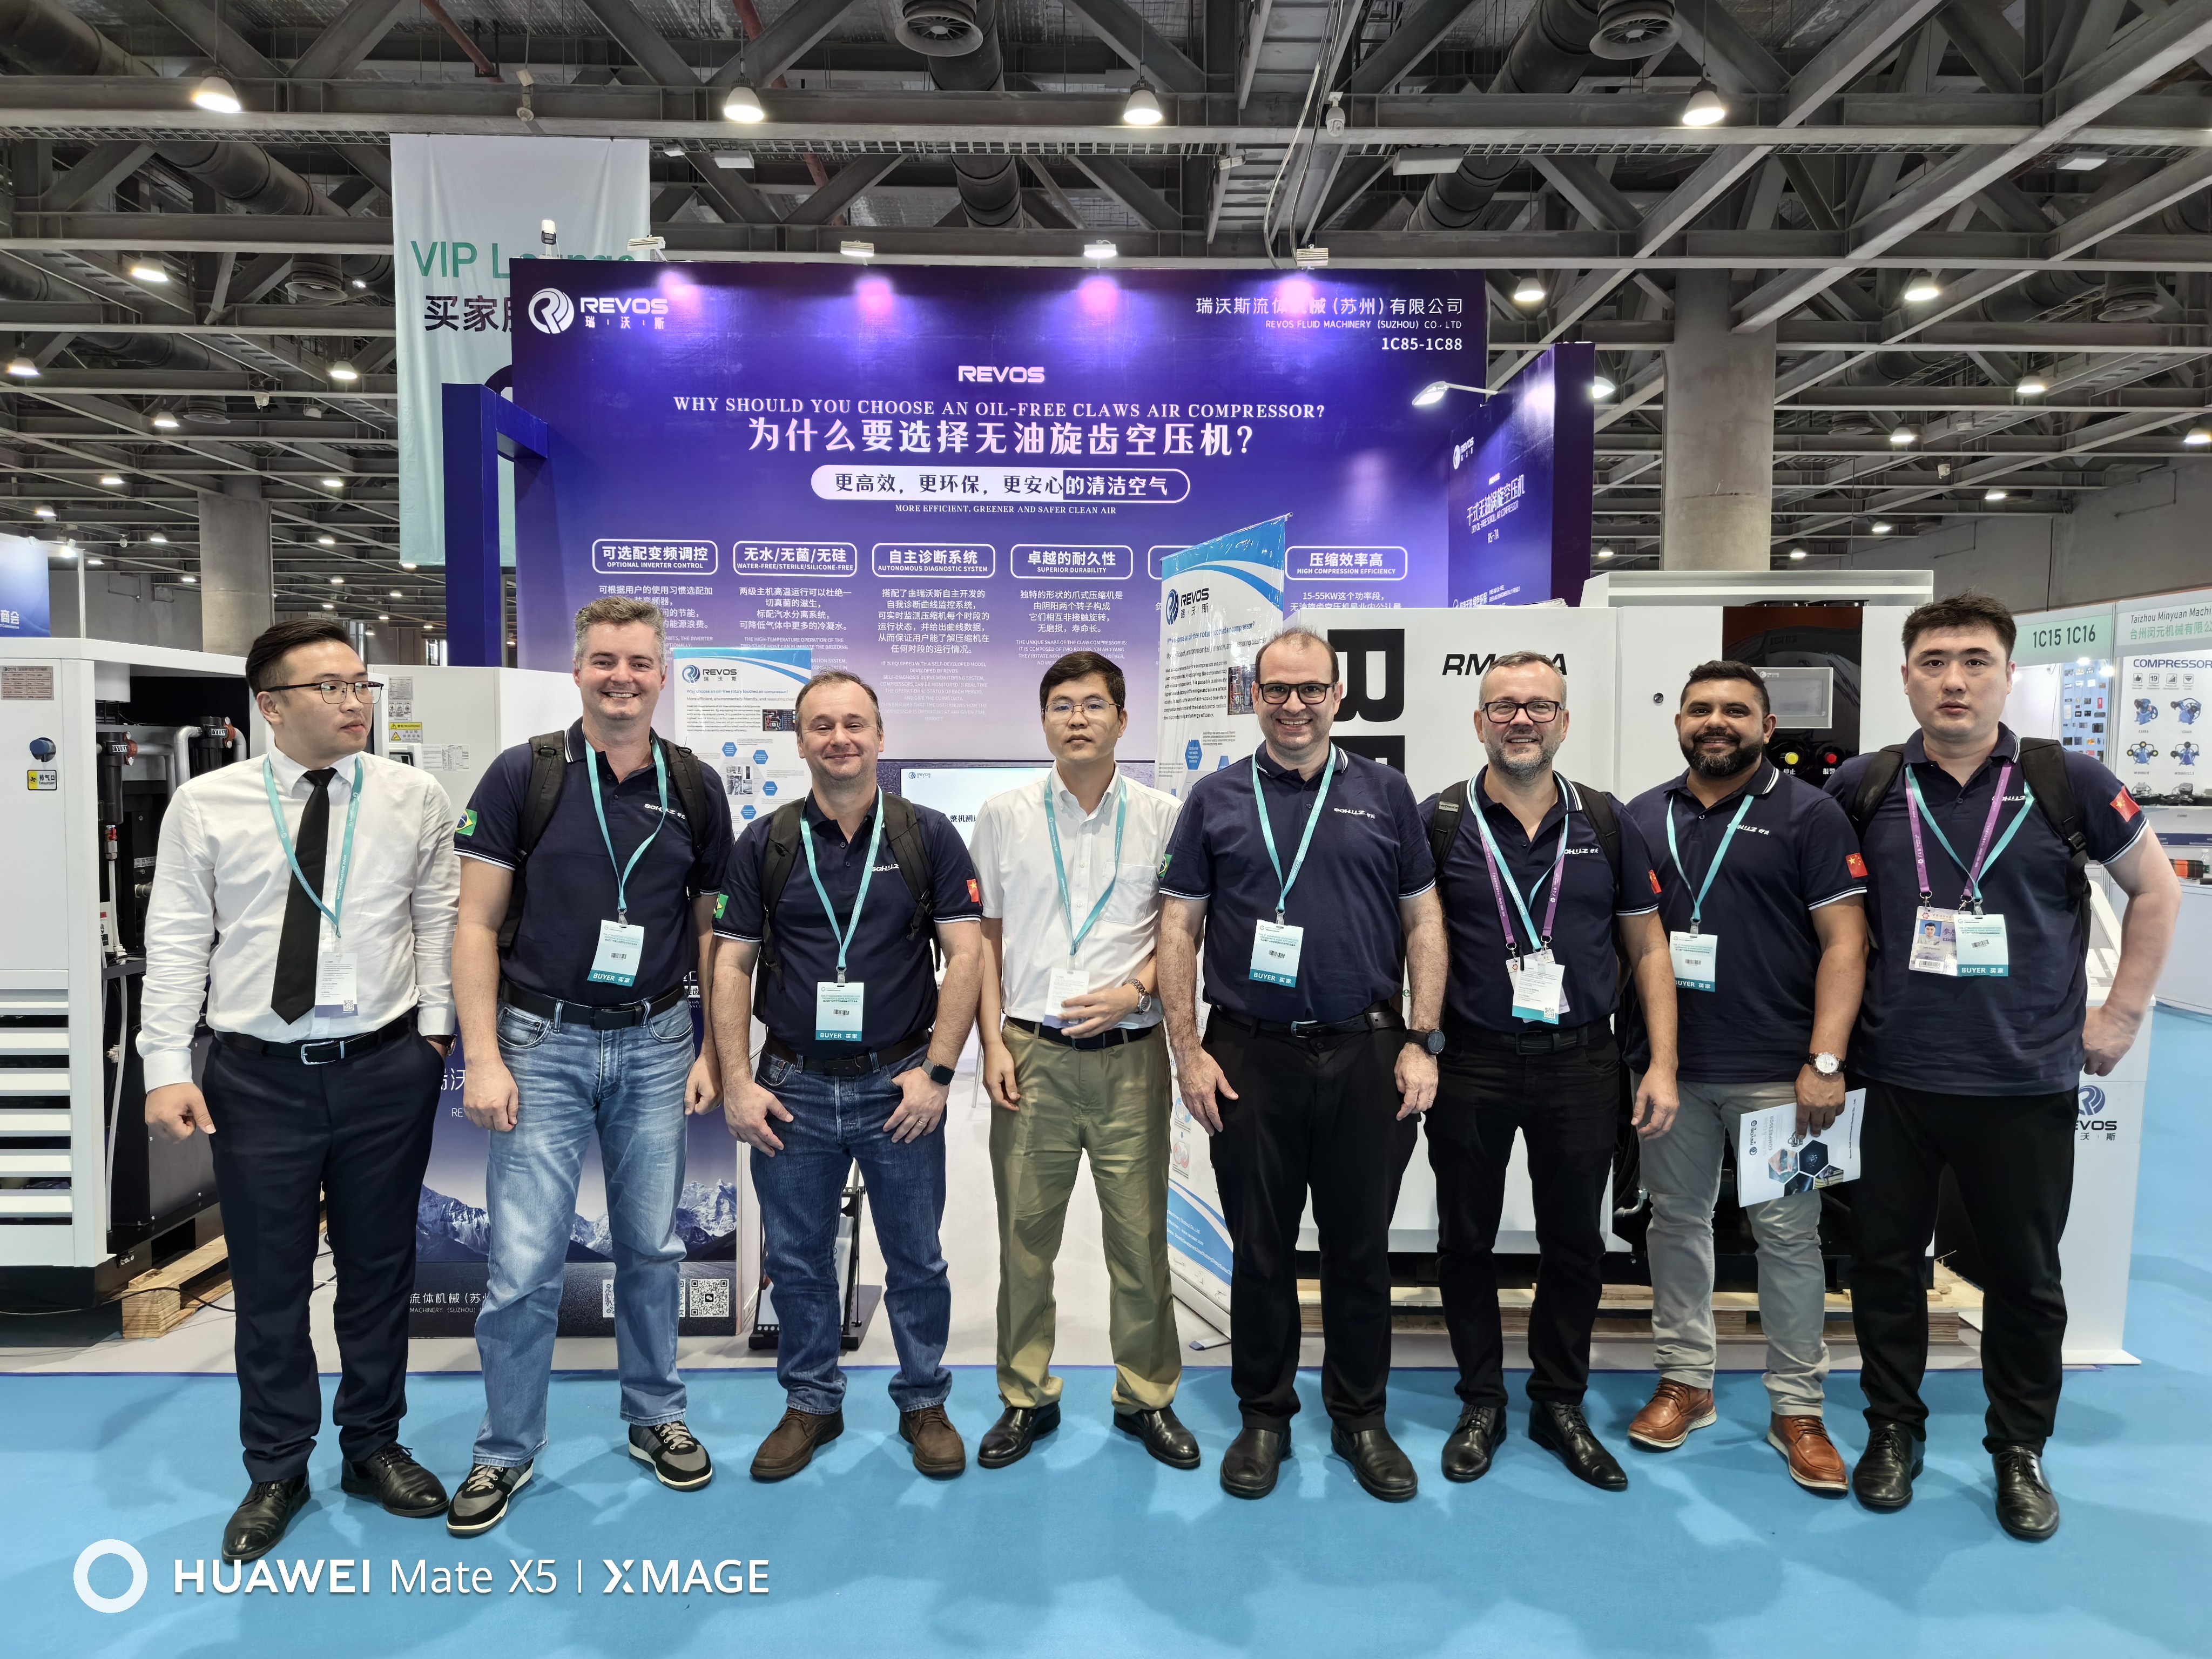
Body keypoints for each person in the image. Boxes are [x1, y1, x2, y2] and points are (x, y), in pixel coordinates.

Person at [1826, 591, 2179, 1541]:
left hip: (2024, 1080)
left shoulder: (2068, 780)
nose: (1955, 680)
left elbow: (2155, 889)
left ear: (2007, 675)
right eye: (1935, 662)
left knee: (2024, 1278)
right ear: (1906, 677)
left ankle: (2018, 1448)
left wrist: (2123, 1012)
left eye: (1975, 661)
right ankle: (1893, 1429)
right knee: (1885, 1267)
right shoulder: (1863, 785)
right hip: (1893, 1078)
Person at [140, 617, 459, 1561]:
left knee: (379, 1271)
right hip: (258, 1077)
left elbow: (437, 920)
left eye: (360, 684)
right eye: (330, 687)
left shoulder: (412, 795)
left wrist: (435, 1037)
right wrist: (166, 1066)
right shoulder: (208, 804)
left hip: (385, 1069)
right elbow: (177, 938)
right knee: (270, 1281)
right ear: (271, 705)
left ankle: (373, 1446)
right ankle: (277, 1467)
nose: (355, 702)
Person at [444, 597, 731, 1536]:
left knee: (653, 1248)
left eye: (639, 663)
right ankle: (506, 1447)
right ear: (577, 671)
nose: (622, 678)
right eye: (605, 661)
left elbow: (711, 932)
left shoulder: (695, 786)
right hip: (542, 1043)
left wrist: (707, 1048)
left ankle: (655, 1415)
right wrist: (482, 1056)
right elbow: (475, 924)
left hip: (656, 1042)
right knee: (524, 1264)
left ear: (662, 676)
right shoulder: (523, 774)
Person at [1157, 626, 1446, 1504]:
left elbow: (1424, 921)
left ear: (1337, 694)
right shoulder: (1214, 798)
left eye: (1311, 688)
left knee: (1360, 1249)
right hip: (1250, 1053)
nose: (1294, 705)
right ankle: (1265, 1416)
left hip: (1367, 1049)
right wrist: (1188, 1053)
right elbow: (1179, 929)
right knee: (1261, 1248)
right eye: (1276, 689)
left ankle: (1360, 1418)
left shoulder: (1385, 793)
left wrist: (1422, 1040)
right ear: (1254, 696)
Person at [711, 670, 987, 1482]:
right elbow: (731, 966)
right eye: (823, 725)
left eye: (855, 723)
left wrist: (938, 1072)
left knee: (917, 1257)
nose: (841, 738)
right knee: (799, 1260)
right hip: (791, 1087)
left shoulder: (926, 836)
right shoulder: (765, 843)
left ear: (880, 735)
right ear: (801, 741)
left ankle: (924, 1399)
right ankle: (811, 1403)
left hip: (898, 1085)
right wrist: (737, 1081)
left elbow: (967, 955)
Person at [1419, 650, 1677, 1493]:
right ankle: (1482, 1401)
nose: (1520, 720)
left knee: (1575, 1243)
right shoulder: (1440, 822)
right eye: (1504, 707)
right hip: (1473, 1062)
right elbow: (1410, 942)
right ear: (1479, 722)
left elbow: (1648, 948)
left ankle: (1559, 1401)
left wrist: (1662, 1062)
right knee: (1466, 1240)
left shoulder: (1606, 820)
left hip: (1582, 1063)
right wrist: (1414, 1042)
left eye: (1538, 706)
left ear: (1564, 721)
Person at [1618, 661, 1869, 1494]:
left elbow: (1846, 942)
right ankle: (1686, 1381)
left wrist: (1825, 1061)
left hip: (1782, 1077)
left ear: (1767, 726)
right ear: (1679, 723)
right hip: (1671, 1071)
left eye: (1735, 710)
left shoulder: (1811, 814)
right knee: (1675, 1224)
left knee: (1790, 1240)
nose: (1715, 722)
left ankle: (1798, 1407)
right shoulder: (1641, 815)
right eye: (1700, 709)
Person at [970, 651, 1195, 1471]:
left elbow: (1182, 932)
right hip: (1031, 1055)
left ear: (1123, 721)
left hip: (1132, 1055)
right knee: (1024, 1241)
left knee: (1139, 1242)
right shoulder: (1004, 815)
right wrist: (992, 1041)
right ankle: (1025, 1394)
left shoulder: (1166, 817)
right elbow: (985, 938)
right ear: (1043, 722)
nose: (1077, 718)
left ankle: (1146, 1397)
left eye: (1094, 704)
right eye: (1061, 705)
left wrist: (1135, 990)